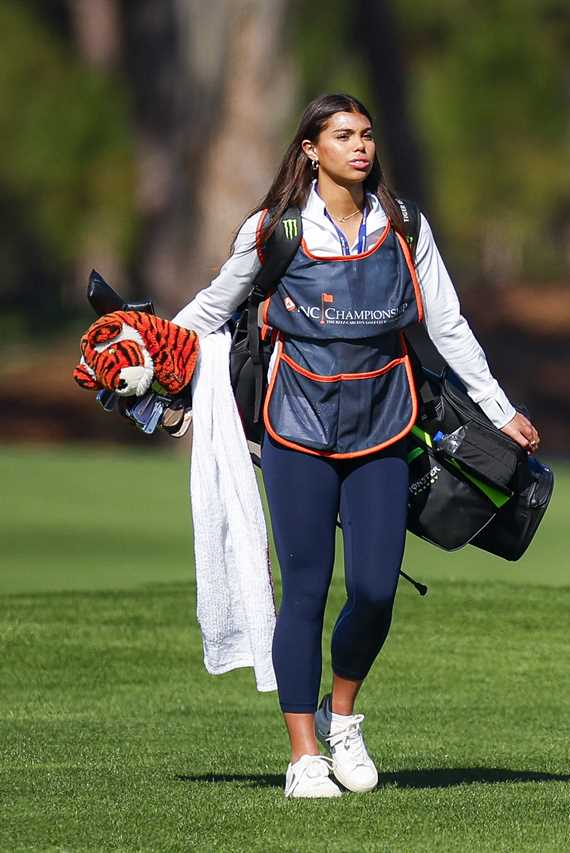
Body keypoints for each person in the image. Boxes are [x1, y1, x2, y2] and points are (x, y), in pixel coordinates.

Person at [172, 93, 540, 799]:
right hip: (295, 430)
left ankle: (342, 717)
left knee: (373, 589)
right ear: (311, 149)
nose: (361, 146)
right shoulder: (273, 229)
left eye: (366, 134)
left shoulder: (402, 225)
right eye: (343, 136)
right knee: (306, 587)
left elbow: (449, 324)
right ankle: (303, 753)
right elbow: (213, 307)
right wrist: (148, 347)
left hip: (384, 427)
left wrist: (501, 408)